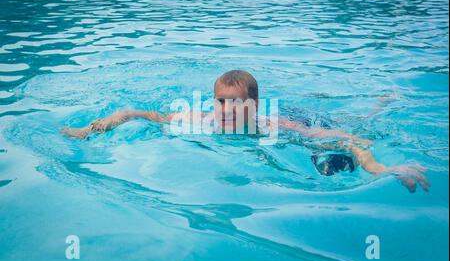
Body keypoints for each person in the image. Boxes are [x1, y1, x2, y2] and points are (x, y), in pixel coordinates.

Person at [63, 70, 430, 193]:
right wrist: (90, 129)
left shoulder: (272, 125)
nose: (225, 110)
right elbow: (133, 112)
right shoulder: (199, 119)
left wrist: (381, 169)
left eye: (234, 102)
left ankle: (383, 101)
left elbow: (347, 140)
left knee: (356, 125)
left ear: (252, 105)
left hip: (304, 121)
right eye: (220, 101)